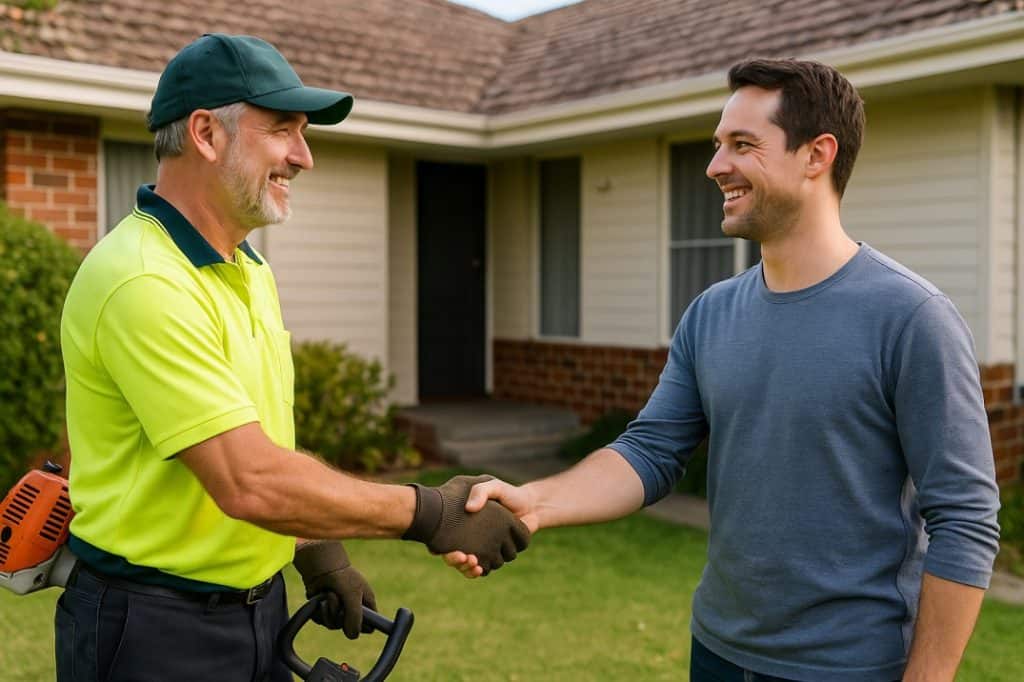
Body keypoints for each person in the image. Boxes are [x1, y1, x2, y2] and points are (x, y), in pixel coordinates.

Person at [445, 58, 1001, 682]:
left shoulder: (912, 317)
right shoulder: (712, 313)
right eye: (717, 146)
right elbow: (652, 451)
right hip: (717, 651)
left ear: (817, 155)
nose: (714, 167)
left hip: (850, 667)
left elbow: (966, 519)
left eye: (742, 145)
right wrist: (537, 501)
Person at [57, 33, 529, 682]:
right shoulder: (143, 279)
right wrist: (431, 513)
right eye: (283, 130)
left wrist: (319, 552)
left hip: (258, 609)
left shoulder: (246, 268)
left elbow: (265, 444)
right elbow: (248, 480)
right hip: (151, 626)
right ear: (205, 133)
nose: (303, 157)